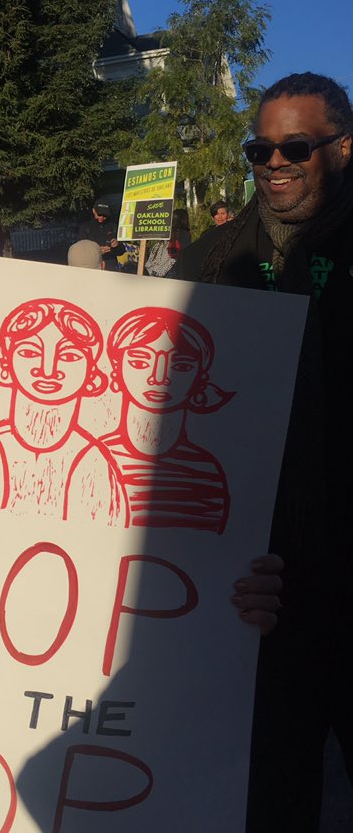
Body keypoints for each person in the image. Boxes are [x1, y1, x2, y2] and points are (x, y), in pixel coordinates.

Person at [172, 72, 353, 831]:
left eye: (296, 147)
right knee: (271, 796)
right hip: (253, 594)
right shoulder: (209, 264)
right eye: (260, 149)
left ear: (343, 150)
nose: (274, 162)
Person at [0, 298, 112, 520]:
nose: (48, 370)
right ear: (5, 367)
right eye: (30, 352)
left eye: (69, 356)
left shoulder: (93, 460)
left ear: (92, 376)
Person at [97, 306, 233, 532]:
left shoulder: (207, 472)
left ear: (200, 377)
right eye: (140, 362)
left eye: (180, 366)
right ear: (116, 370)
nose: (158, 377)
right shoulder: (95, 459)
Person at [144, 207, 191, 277]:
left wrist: (156, 272)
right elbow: (172, 257)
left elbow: (172, 258)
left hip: (159, 273)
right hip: (161, 273)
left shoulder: (178, 234)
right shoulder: (179, 234)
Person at [79, 201, 124, 270]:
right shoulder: (85, 227)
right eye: (99, 215)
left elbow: (121, 251)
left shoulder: (113, 226)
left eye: (105, 215)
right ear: (94, 211)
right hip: (91, 266)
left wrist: (117, 245)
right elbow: (80, 251)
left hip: (110, 265)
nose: (102, 217)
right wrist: (96, 251)